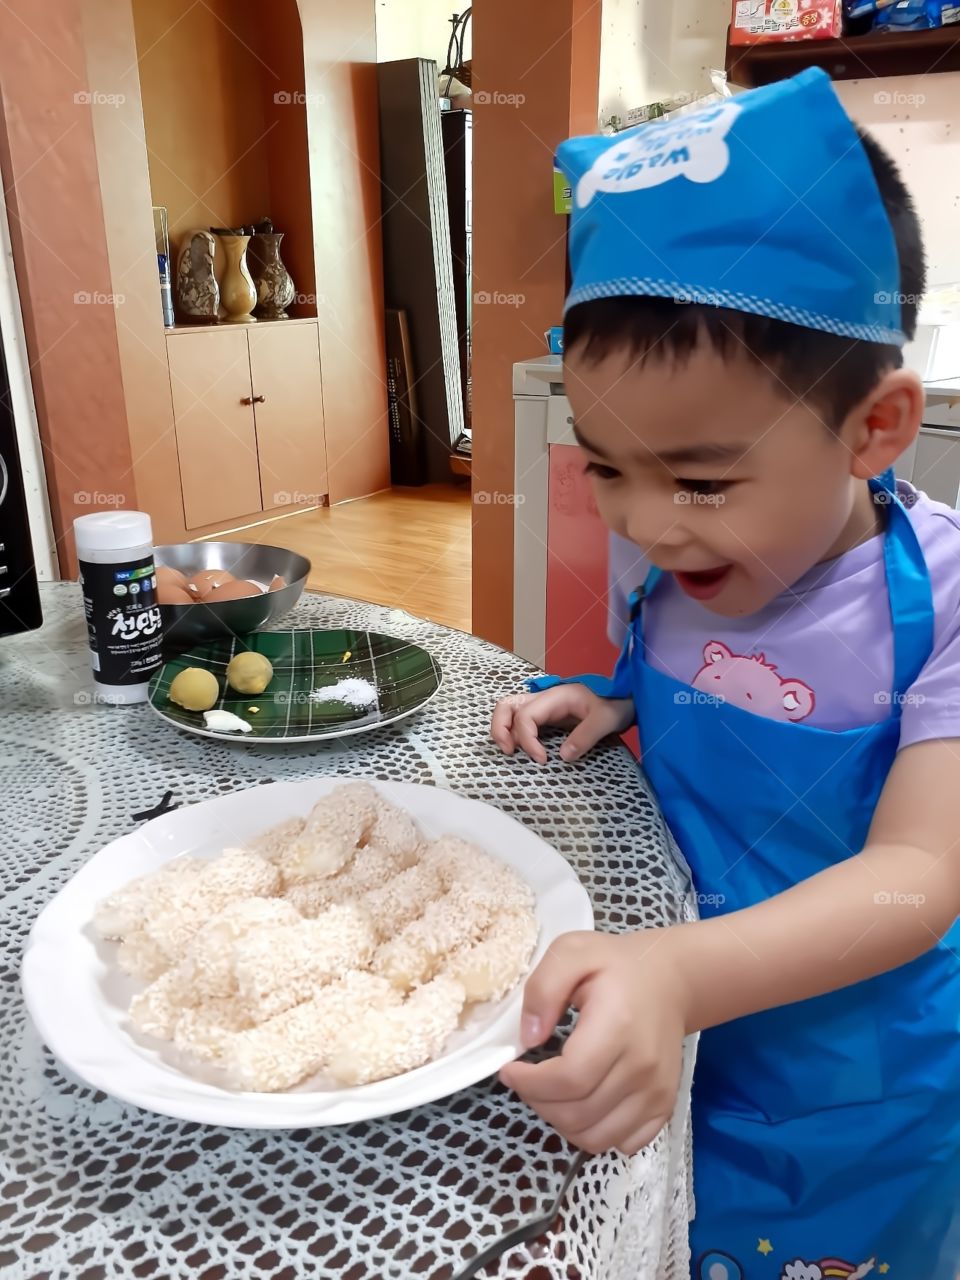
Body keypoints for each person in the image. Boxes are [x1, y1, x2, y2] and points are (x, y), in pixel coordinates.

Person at [491, 68, 960, 1280]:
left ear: (875, 426)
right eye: (607, 468)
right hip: (679, 1021)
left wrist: (681, 973)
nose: (648, 525)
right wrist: (619, 695)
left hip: (850, 1084)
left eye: (700, 481)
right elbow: (710, 669)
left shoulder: (946, 606)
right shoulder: (708, 560)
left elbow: (918, 875)